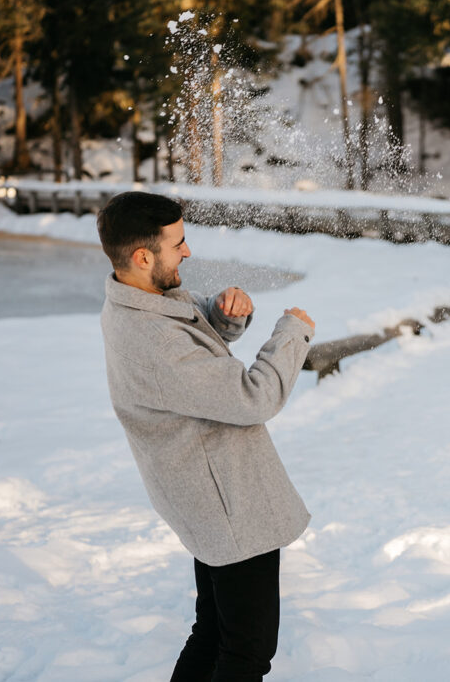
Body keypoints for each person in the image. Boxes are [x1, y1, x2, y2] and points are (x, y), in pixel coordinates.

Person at [97, 191, 317, 681]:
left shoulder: (141, 299)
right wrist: (292, 332)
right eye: (178, 243)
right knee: (247, 651)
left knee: (215, 633)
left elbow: (193, 345)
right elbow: (253, 396)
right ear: (142, 256)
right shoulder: (151, 339)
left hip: (208, 497)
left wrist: (224, 316)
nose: (188, 252)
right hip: (229, 506)